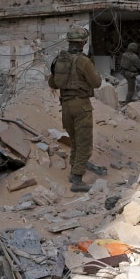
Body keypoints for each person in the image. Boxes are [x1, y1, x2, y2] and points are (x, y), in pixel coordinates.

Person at [48, 24, 103, 193]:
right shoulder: (83, 61)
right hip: (81, 105)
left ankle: (73, 172)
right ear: (82, 43)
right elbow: (97, 83)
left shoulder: (60, 59)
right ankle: (77, 180)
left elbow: (52, 83)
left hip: (65, 106)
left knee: (75, 141)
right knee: (84, 143)